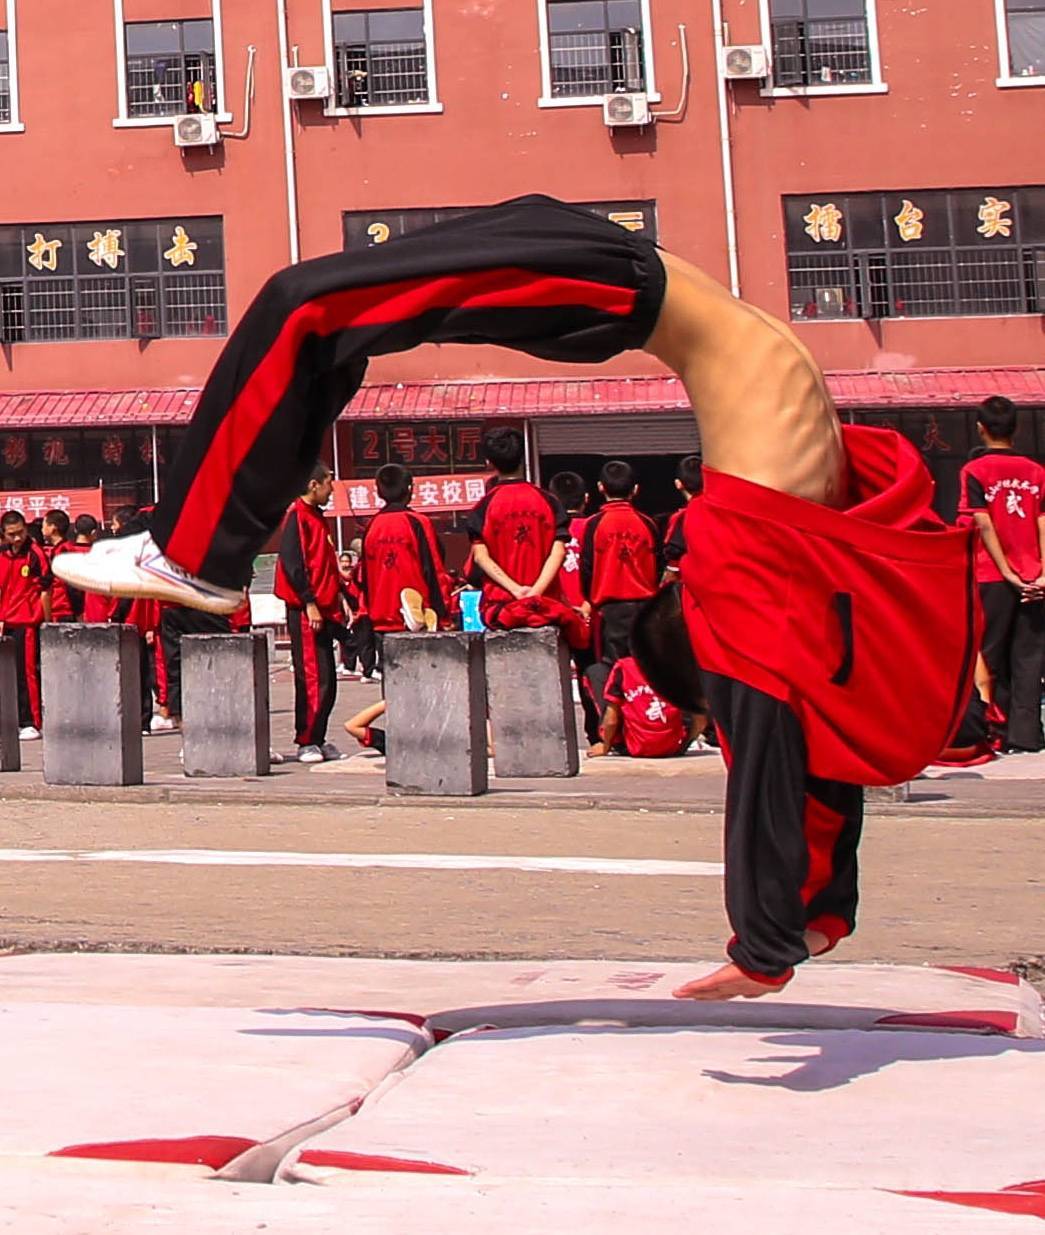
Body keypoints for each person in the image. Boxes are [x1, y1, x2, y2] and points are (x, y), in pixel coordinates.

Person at [54, 193, 977, 998]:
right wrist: (784, 930)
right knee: (310, 305)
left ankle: (195, 554)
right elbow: (776, 732)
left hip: (625, 269)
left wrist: (796, 929)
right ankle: (196, 553)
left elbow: (786, 738)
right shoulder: (759, 566)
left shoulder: (787, 538)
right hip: (614, 280)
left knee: (317, 309)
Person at [957, 396, 1045, 754]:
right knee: (1029, 655)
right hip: (1033, 576)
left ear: (980, 428)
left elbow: (983, 523)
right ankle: (1026, 736)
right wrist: (1041, 573)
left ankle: (995, 727)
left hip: (993, 575)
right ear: (1016, 428)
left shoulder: (974, 471)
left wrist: (1007, 571)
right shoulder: (1036, 471)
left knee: (990, 654)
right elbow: (1042, 521)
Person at [463, 426, 587, 648]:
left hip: (503, 609)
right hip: (545, 607)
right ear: (523, 458)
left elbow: (481, 558)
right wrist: (535, 593)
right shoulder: (549, 501)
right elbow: (557, 552)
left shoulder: (483, 508)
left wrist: (517, 591)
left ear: (489, 463)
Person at [274, 462, 347, 763]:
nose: (332, 488)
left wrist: (340, 597)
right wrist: (309, 602)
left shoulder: (317, 519)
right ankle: (306, 740)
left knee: (327, 678)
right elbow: (293, 565)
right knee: (313, 677)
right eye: (329, 482)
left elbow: (324, 566)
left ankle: (318, 736)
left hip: (325, 608)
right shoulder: (297, 517)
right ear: (314, 485)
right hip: (306, 611)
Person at [580, 460, 660, 667]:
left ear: (600, 487)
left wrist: (590, 599)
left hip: (609, 610)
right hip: (645, 608)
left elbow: (587, 568)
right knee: (645, 668)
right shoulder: (647, 523)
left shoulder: (594, 525)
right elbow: (659, 565)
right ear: (635, 489)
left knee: (614, 669)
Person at [358, 463, 450, 642]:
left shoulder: (371, 526)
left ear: (379, 492)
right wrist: (443, 614)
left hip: (380, 620)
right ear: (410, 489)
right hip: (416, 620)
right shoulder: (418, 522)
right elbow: (434, 569)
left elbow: (364, 577)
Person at [548, 469, 600, 748]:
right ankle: (598, 732)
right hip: (592, 612)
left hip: (558, 612)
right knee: (592, 671)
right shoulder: (594, 526)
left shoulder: (549, 533)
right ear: (587, 498)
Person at [586, 654, 705, 759]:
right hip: (672, 747)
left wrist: (606, 746)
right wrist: (684, 745)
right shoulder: (679, 665)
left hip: (634, 747)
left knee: (595, 672)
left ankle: (610, 741)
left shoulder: (625, 667)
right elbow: (700, 720)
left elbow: (611, 721)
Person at [0, 510, 52, 739]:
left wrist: (48, 622)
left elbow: (45, 590)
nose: (17, 538)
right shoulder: (2, 554)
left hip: (27, 622)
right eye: (12, 534)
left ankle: (31, 721)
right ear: (4, 534)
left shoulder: (35, 554)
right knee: (6, 674)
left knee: (26, 672)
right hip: (5, 620)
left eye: (20, 532)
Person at [662, 454, 703, 583]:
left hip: (693, 590)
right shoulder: (724, 513)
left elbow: (674, 562)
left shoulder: (682, 517)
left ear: (678, 484)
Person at [40, 509, 79, 622]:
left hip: (63, 611)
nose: (42, 530)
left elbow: (72, 586)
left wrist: (78, 613)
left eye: (44, 525)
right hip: (56, 610)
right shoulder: (57, 550)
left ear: (53, 528)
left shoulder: (65, 550)